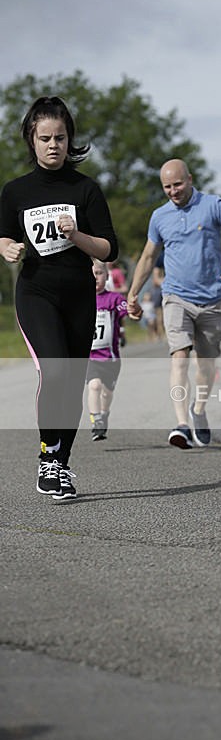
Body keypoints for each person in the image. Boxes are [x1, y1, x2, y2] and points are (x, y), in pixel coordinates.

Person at [0, 95, 118, 499]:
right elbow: (4, 235)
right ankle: (47, 457)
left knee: (70, 383)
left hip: (79, 298)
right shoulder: (15, 191)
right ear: (32, 140)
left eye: (61, 138)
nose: (54, 145)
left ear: (70, 141)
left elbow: (109, 248)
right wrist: (6, 248)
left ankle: (61, 463)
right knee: (53, 372)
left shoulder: (85, 189)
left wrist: (77, 235)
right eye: (45, 138)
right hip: (36, 292)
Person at [127, 158, 221, 448]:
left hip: (211, 299)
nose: (173, 191)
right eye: (167, 187)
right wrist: (133, 293)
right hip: (176, 296)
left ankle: (199, 410)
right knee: (180, 357)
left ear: (190, 179)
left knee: (206, 366)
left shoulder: (213, 205)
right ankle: (181, 424)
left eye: (178, 184)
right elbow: (148, 257)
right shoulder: (159, 216)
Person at [86, 260, 131, 440]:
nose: (95, 278)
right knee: (94, 385)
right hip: (89, 357)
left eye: (99, 273)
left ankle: (104, 414)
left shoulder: (114, 299)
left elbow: (128, 311)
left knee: (107, 392)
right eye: (91, 274)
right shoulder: (80, 300)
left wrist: (134, 310)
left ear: (107, 276)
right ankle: (96, 421)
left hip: (111, 358)